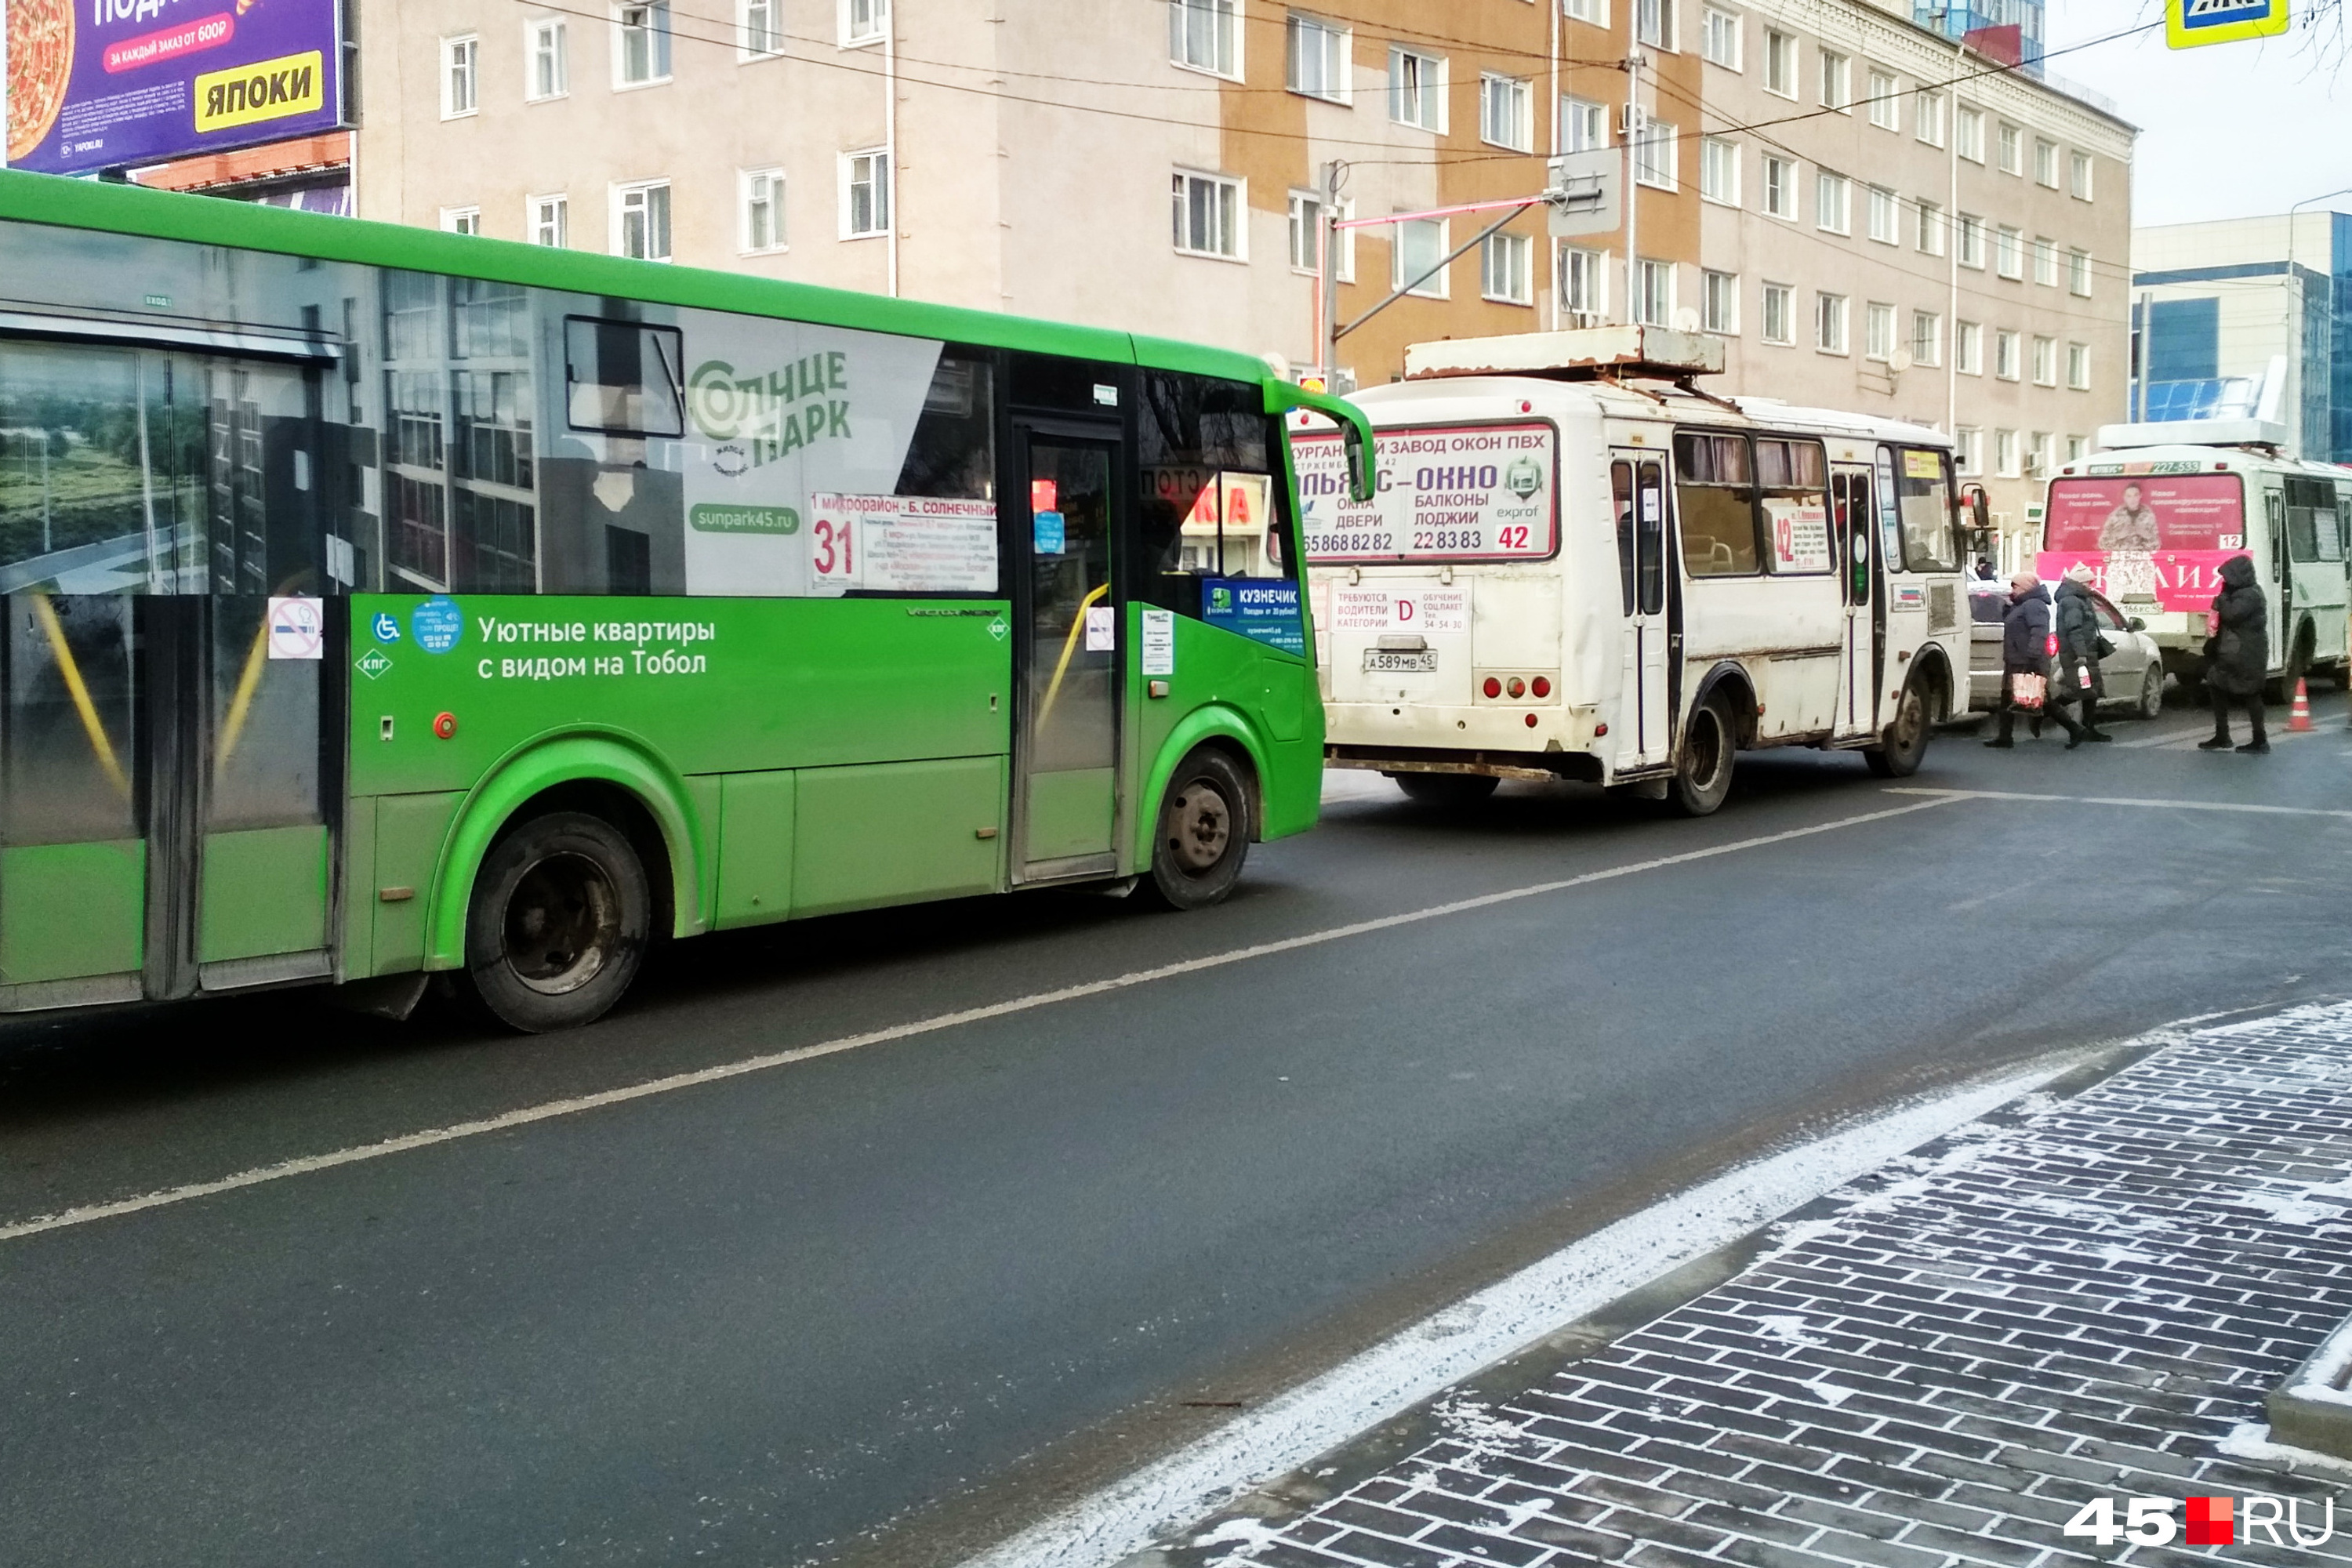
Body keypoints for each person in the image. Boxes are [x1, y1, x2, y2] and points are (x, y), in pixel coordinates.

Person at [1986, 572, 2085, 748]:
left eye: (2014, 586)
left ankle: (2074, 729)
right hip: (2016, 659)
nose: (2012, 589)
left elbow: (2039, 631)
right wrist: (2009, 606)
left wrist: (2032, 656)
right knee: (2007, 698)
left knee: (2041, 700)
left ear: (2025, 587)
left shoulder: (2034, 605)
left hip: (2028, 659)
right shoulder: (2023, 605)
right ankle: (2005, 737)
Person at [2199, 554, 2269, 753]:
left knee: (2251, 693)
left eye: (2229, 577)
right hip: (2232, 652)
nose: (2225, 581)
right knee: (2216, 684)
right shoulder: (2241, 593)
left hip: (2247, 653)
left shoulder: (2250, 594)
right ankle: (2222, 734)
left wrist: (2221, 599)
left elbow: (2232, 615)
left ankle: (2260, 739)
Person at [2053, 564, 2114, 742]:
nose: (2091, 586)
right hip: (2078, 656)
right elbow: (2074, 629)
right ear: (2079, 583)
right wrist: (2081, 654)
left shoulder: (2081, 599)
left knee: (2091, 691)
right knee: (2077, 690)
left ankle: (2089, 729)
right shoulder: (2072, 601)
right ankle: (2047, 711)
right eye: (2088, 582)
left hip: (2087, 653)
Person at [2098, 482, 2161, 551]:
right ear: (2124, 497)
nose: (2132, 499)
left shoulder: (2149, 517)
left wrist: (2146, 536)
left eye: (2135, 495)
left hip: (2142, 558)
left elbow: (2156, 545)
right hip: (2120, 558)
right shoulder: (2115, 517)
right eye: (2129, 496)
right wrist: (2119, 536)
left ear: (2140, 496)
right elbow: (2103, 544)